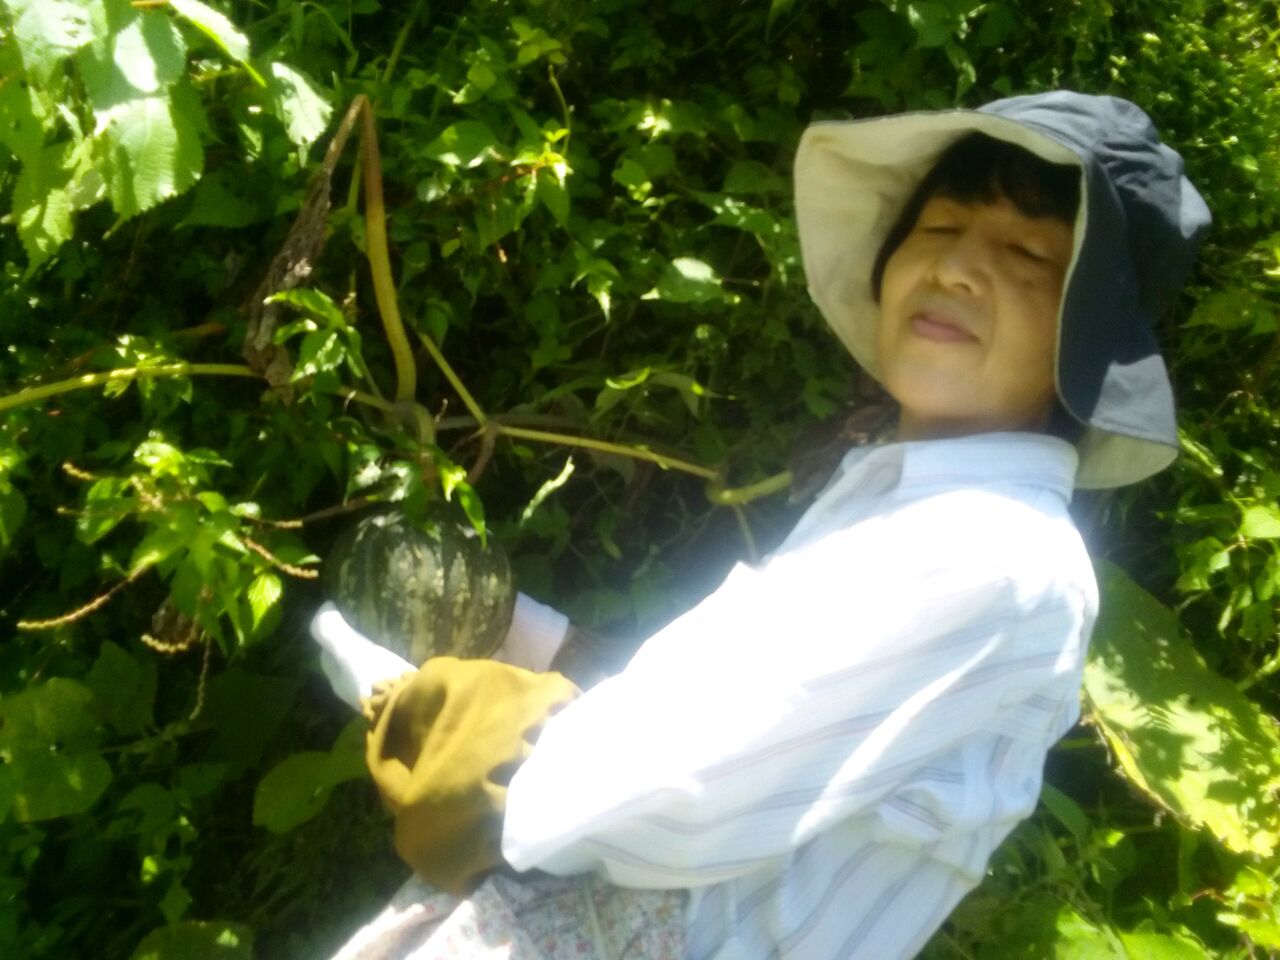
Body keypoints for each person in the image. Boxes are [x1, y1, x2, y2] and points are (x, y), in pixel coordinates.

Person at [312, 90, 1210, 959]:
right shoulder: (908, 506)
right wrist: (520, 630)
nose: (954, 268)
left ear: (1092, 342)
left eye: (1025, 255)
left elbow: (660, 802)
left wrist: (430, 713)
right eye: (939, 228)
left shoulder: (997, 557)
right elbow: (720, 715)